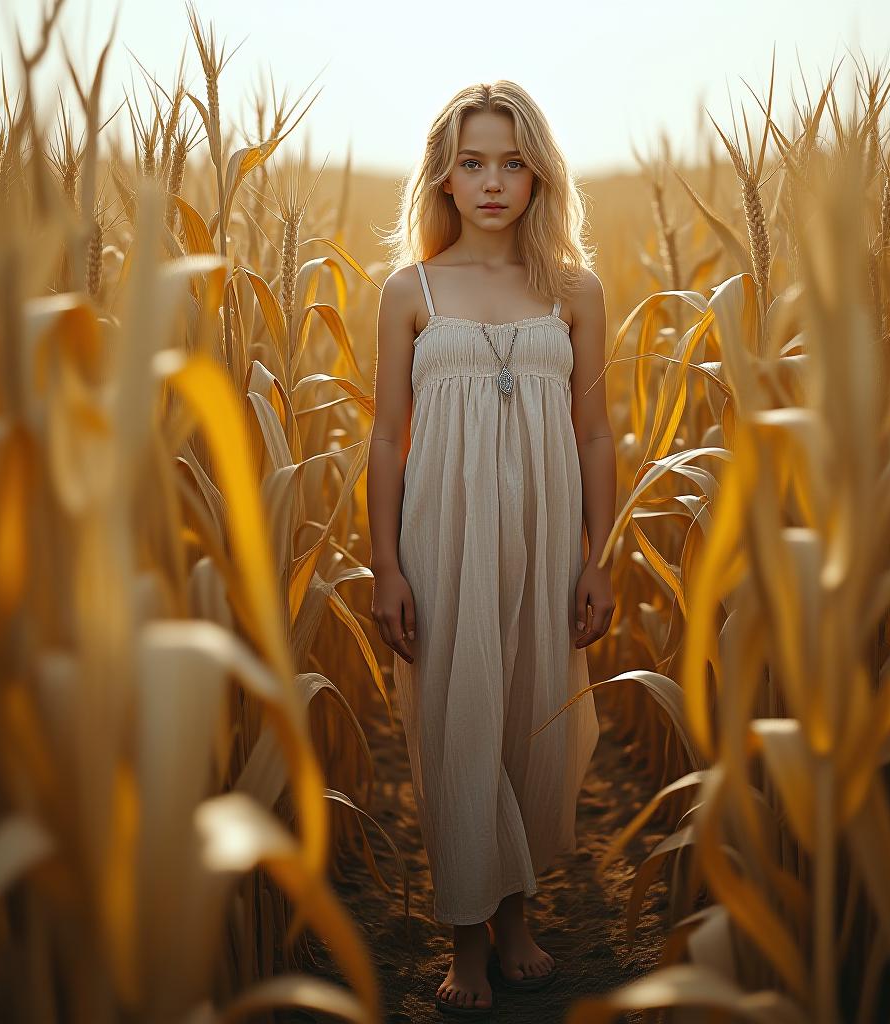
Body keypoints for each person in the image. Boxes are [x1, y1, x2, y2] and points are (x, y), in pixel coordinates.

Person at [367, 80, 617, 1019]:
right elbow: (387, 434)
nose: (493, 182)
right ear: (442, 175)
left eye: (513, 162)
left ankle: (517, 917)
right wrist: (387, 564)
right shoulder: (411, 291)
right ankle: (466, 937)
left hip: (547, 533)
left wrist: (598, 556)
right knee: (459, 714)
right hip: (445, 531)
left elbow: (594, 431)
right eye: (472, 162)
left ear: (540, 174)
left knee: (528, 715)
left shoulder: (576, 290)